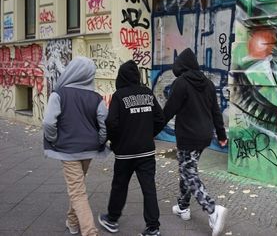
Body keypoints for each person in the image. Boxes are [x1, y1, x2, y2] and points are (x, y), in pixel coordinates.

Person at [163, 48, 228, 236]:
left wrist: (150, 130)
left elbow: (168, 111)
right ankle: (183, 207)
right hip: (204, 136)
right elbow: (216, 112)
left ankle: (213, 210)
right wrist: (222, 135)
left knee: (188, 172)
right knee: (186, 169)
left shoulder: (180, 83)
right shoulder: (207, 84)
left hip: (188, 137)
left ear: (181, 66)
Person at [43, 56, 108, 236]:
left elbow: (48, 123)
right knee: (77, 187)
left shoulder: (59, 94)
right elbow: (105, 123)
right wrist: (100, 141)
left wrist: (54, 139)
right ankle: (72, 221)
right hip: (88, 150)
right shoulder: (96, 98)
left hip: (68, 150)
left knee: (77, 191)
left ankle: (89, 232)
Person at [98, 60, 165, 236]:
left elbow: (111, 123)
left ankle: (112, 219)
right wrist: (149, 134)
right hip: (146, 151)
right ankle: (153, 227)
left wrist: (115, 142)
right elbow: (160, 119)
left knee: (120, 186)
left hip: (125, 153)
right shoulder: (148, 93)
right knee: (149, 188)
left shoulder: (119, 96)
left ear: (121, 77)